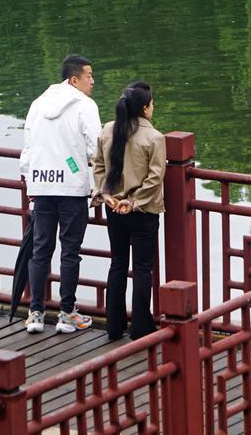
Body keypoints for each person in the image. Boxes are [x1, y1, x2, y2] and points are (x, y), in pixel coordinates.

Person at [19, 54, 101, 333]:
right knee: (70, 251)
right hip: (72, 188)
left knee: (41, 250)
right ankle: (67, 313)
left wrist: (30, 181)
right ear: (74, 79)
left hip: (41, 185)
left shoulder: (38, 104)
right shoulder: (85, 106)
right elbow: (95, 149)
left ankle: (36, 313)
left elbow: (28, 147)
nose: (93, 81)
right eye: (88, 76)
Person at [92, 81, 165, 341]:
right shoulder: (154, 137)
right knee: (143, 268)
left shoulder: (108, 130)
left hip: (114, 209)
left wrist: (107, 195)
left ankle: (114, 325)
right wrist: (133, 202)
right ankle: (141, 327)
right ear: (145, 108)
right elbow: (155, 178)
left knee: (118, 263)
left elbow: (98, 165)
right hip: (142, 211)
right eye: (152, 103)